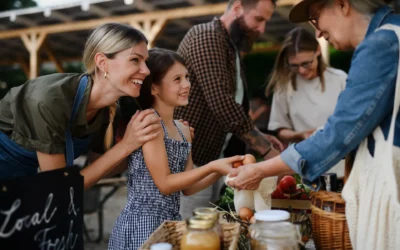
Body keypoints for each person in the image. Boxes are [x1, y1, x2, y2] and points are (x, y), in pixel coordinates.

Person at [228, 0, 400, 248]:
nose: (317, 32)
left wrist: (261, 170)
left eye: (315, 18)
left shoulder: (380, 45)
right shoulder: (393, 32)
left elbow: (339, 133)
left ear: (342, 4)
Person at [108, 48, 243, 249]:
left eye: (187, 77)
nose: (187, 84)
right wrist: (213, 166)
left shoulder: (183, 129)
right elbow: (165, 184)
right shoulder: (149, 124)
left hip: (170, 223)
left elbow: (188, 188)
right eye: (177, 79)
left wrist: (221, 171)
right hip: (142, 226)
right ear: (154, 88)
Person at [0, 23, 162, 190]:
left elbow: (103, 168)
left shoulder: (111, 110)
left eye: (145, 62)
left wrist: (144, 146)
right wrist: (126, 144)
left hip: (22, 180)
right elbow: (59, 188)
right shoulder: (49, 101)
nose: (146, 70)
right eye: (135, 60)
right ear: (102, 62)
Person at [174, 0, 284, 219]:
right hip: (190, 161)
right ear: (237, 7)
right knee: (192, 230)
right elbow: (221, 102)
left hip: (211, 158)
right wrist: (268, 153)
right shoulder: (206, 36)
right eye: (259, 19)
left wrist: (258, 135)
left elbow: (233, 104)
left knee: (210, 229)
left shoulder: (228, 46)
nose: (262, 29)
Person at [266, 27, 347, 177]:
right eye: (294, 65)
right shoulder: (284, 86)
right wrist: (301, 135)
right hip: (305, 166)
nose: (302, 71)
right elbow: (279, 129)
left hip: (341, 165)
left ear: (317, 51)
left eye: (306, 63)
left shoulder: (340, 79)